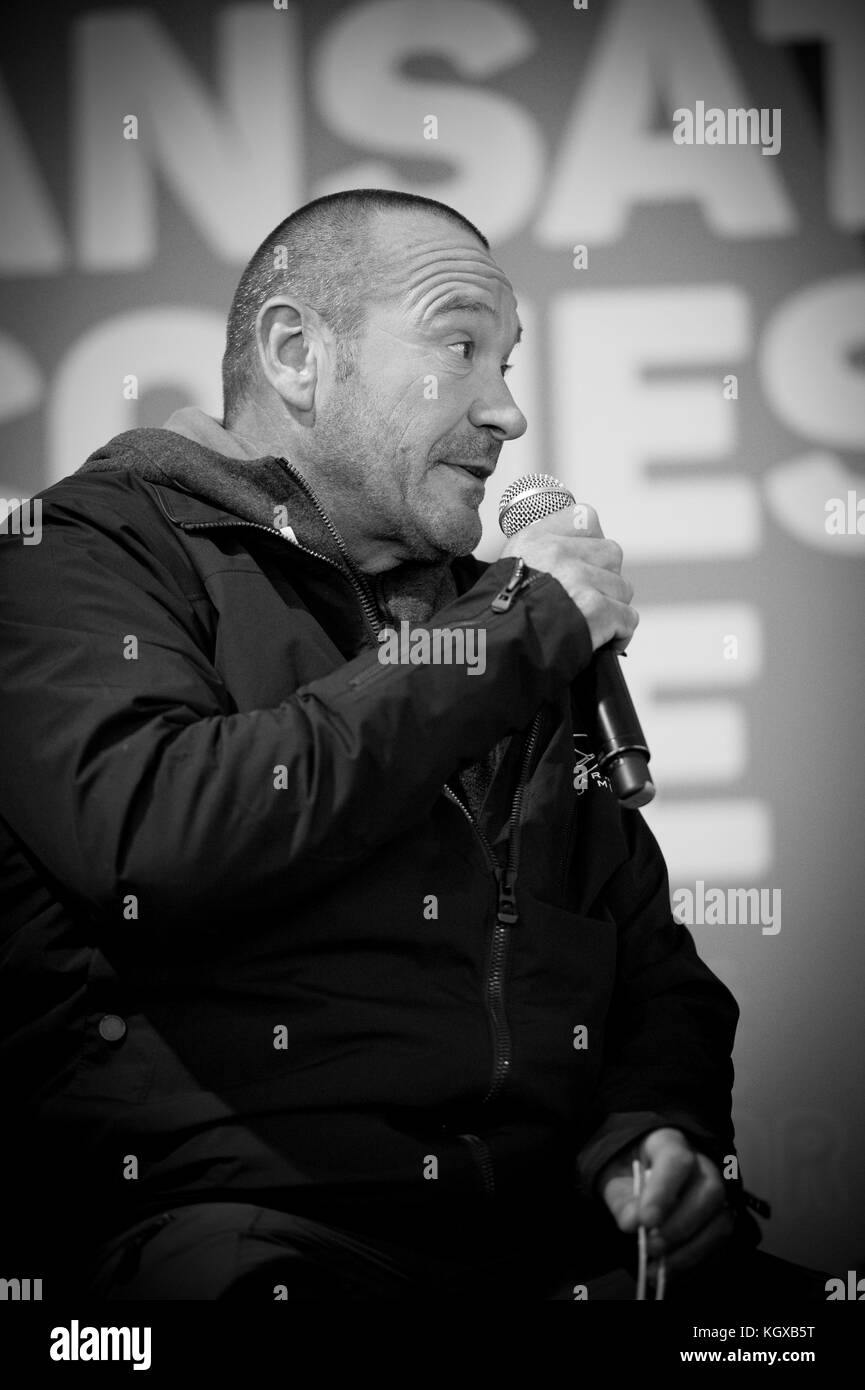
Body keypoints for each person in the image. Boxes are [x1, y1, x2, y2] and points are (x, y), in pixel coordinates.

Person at [0, 189, 810, 1301]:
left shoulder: (506, 631)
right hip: (246, 1223)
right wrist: (510, 637)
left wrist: (653, 1125)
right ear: (297, 353)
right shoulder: (80, 556)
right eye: (460, 348)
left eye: (510, 363)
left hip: (550, 1242)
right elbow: (158, 835)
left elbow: (646, 962)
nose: (507, 413)